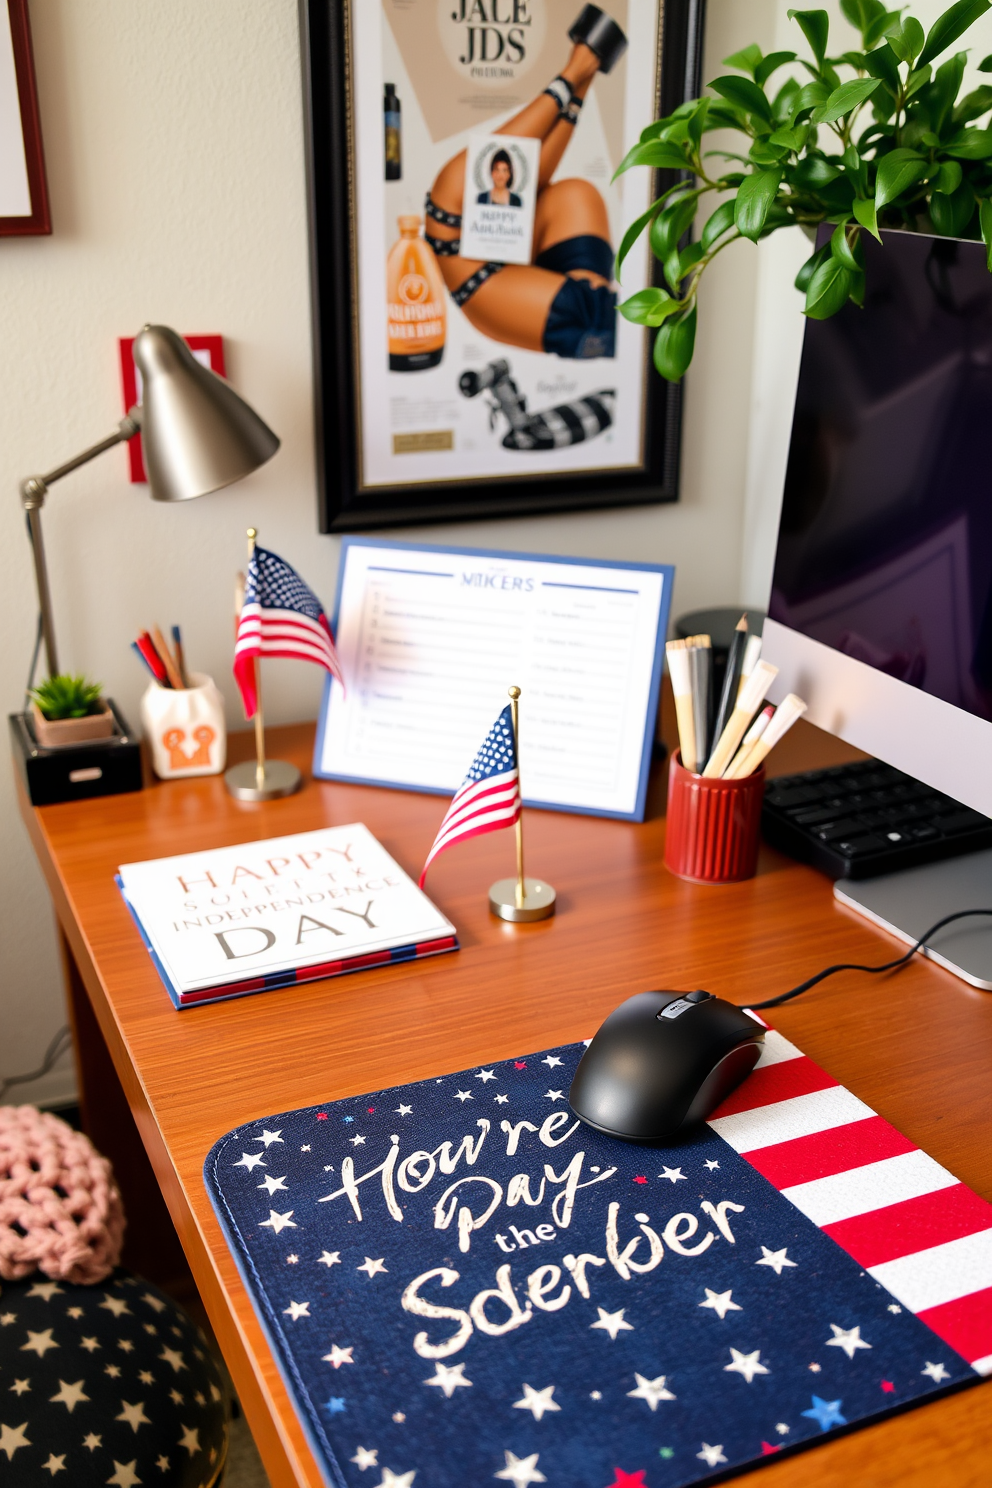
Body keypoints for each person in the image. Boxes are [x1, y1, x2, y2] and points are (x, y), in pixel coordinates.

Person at [424, 4, 627, 361]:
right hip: (476, 273)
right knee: (589, 316)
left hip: (509, 254)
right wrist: (574, 84)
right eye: (497, 171)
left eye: (504, 171)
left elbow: (528, 174)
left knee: (576, 195)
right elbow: (522, 168)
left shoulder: (504, 192)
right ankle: (576, 73)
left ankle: (578, 73)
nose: (501, 175)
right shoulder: (473, 189)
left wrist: (577, 84)